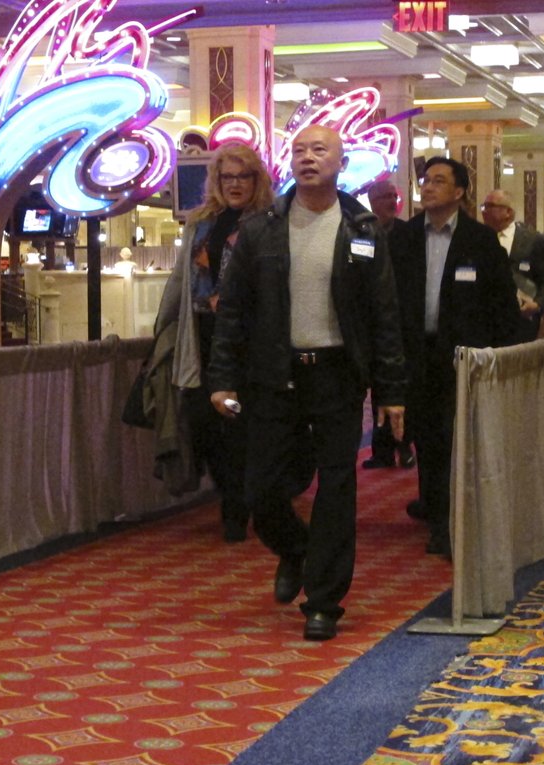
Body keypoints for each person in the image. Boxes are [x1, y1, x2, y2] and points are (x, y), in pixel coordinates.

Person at [209, 125, 406, 641]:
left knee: (337, 488)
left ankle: (323, 601)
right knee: (262, 490)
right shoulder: (261, 229)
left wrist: (391, 390)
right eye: (298, 151)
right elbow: (233, 312)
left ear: (342, 163)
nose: (307, 158)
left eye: (319, 151)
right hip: (273, 375)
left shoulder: (362, 228)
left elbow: (383, 314)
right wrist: (221, 379)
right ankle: (296, 550)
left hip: (339, 376)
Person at [393, 156, 519, 556]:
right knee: (426, 438)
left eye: (439, 181)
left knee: (455, 438)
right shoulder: (404, 237)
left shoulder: (480, 242)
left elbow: (502, 306)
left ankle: (451, 523)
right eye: (426, 180)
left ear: (459, 192)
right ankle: (434, 511)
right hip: (417, 356)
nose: (428, 187)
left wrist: (500, 358)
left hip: (464, 358)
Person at [153, 143, 273, 542]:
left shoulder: (269, 221)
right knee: (204, 424)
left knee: (239, 423)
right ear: (216, 181)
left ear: (256, 180)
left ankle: (238, 508)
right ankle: (232, 494)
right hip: (202, 335)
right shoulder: (201, 221)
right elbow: (180, 280)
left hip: (248, 342)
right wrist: (162, 330)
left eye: (243, 176)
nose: (235, 184)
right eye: (227, 177)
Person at [362, 180, 415, 470]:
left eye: (393, 197)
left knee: (400, 389)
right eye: (383, 197)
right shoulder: (363, 233)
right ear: (371, 200)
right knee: (377, 391)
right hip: (371, 323)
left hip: (403, 323)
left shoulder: (408, 234)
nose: (390, 201)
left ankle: (405, 444)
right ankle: (381, 451)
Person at [480, 189, 544, 343]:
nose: (484, 211)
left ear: (508, 212)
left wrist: (537, 304)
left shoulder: (533, 240)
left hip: (522, 323)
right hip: (485, 322)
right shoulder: (476, 239)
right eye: (484, 206)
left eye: (490, 206)